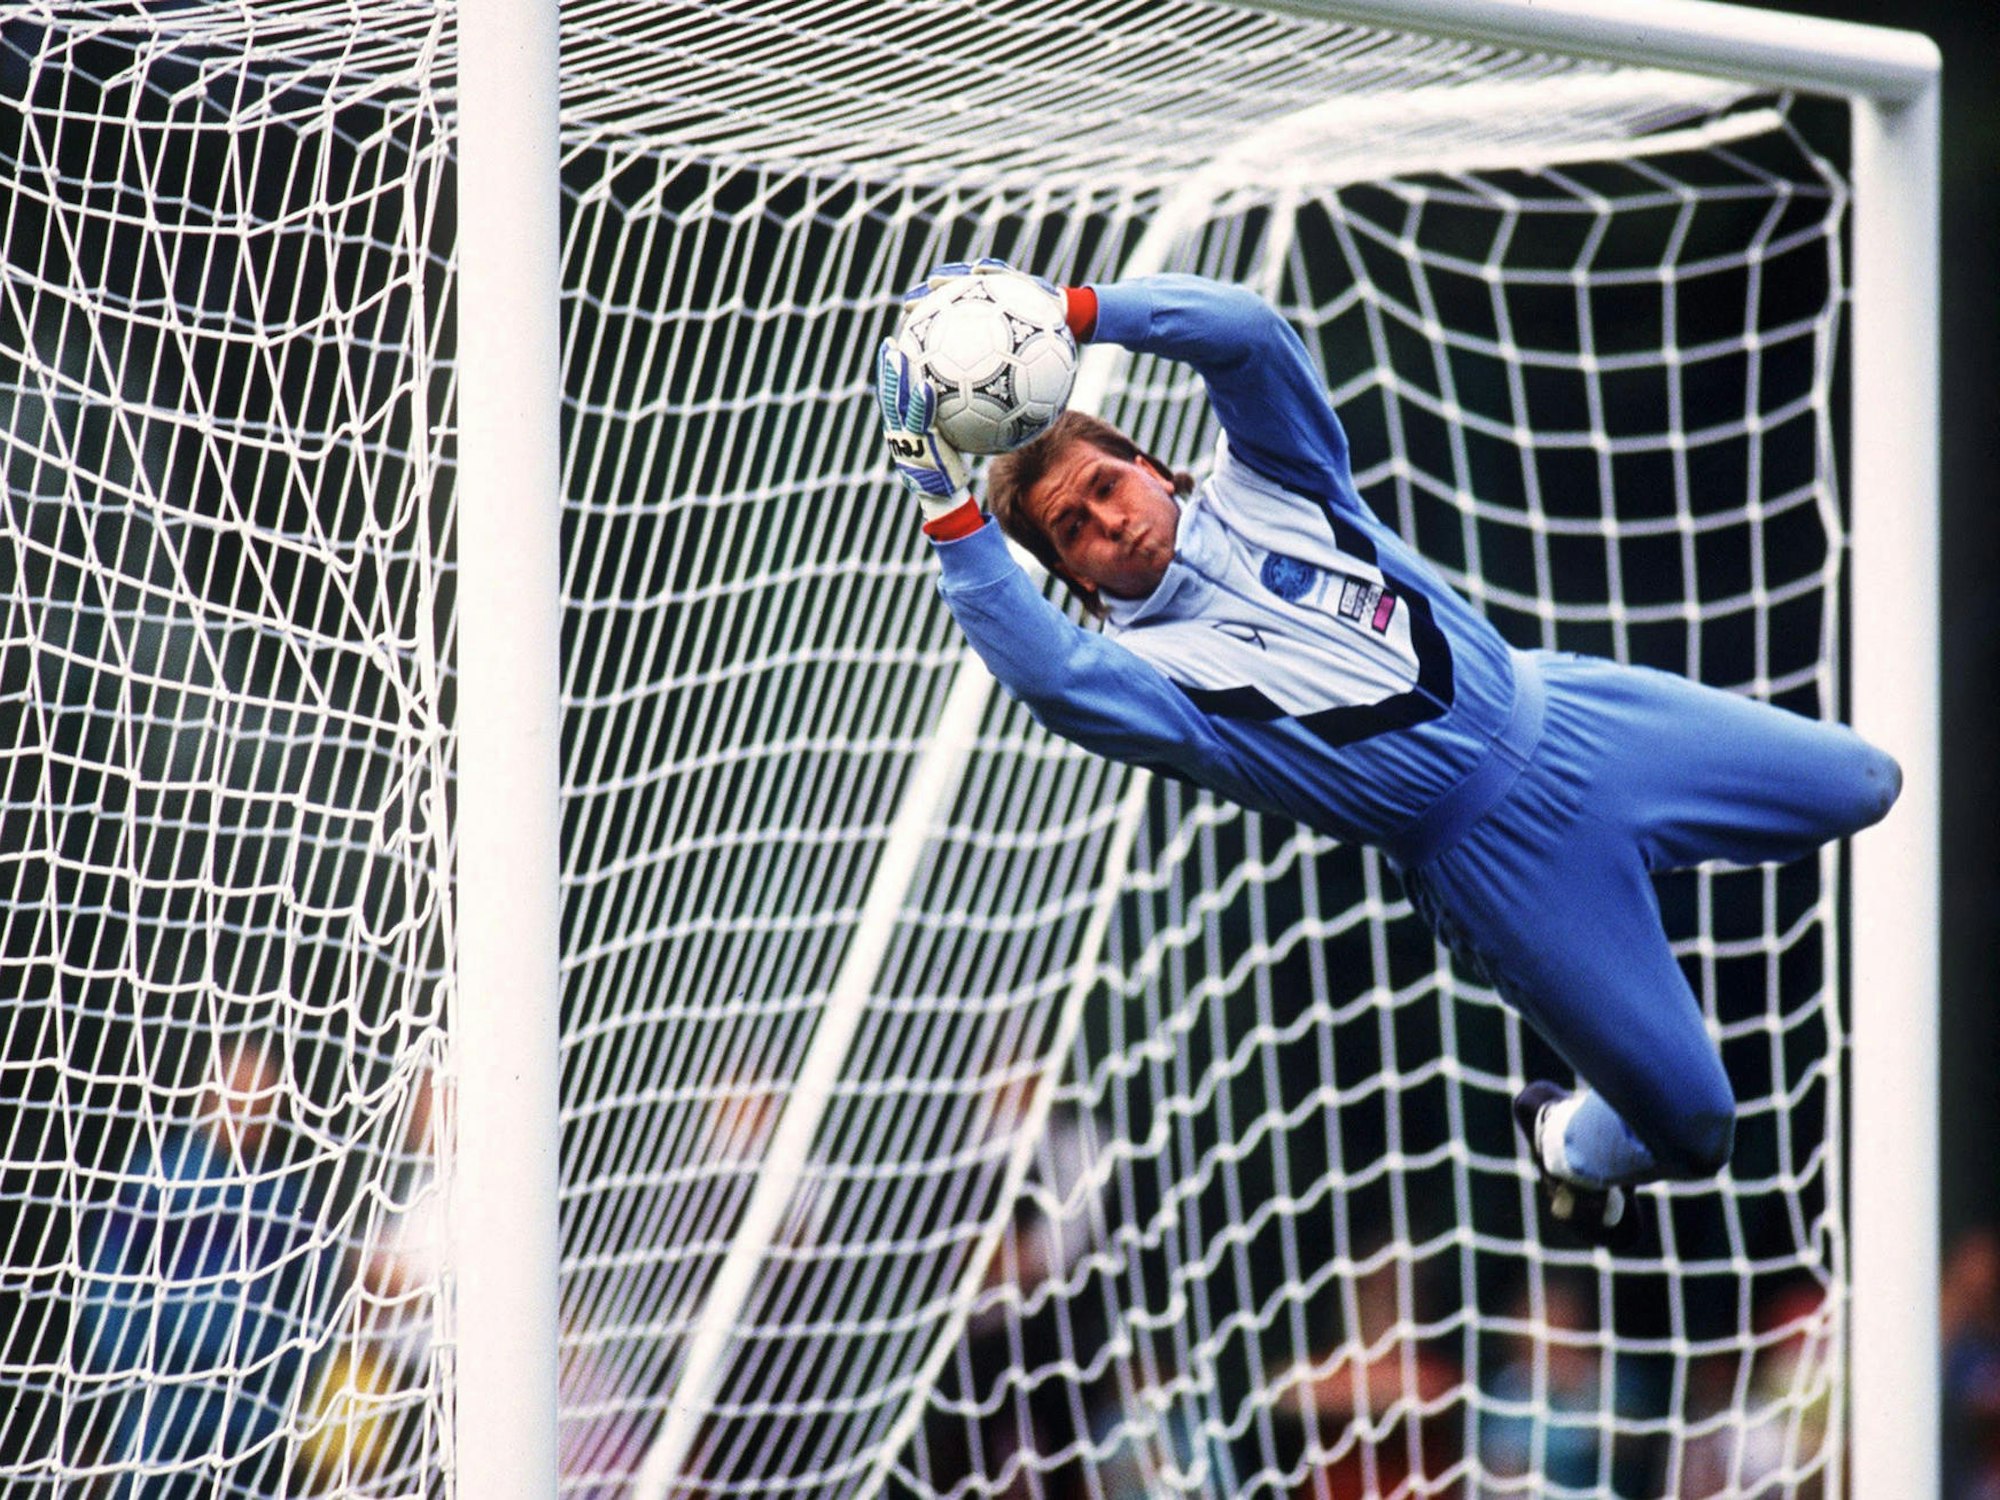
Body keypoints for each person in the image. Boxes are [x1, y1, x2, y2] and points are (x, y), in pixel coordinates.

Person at [876, 261, 1901, 1247]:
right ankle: (1565, 1143)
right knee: (1693, 1128)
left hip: (1583, 717)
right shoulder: (1156, 679)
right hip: (1499, 865)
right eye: (1075, 529)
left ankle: (1638, 922)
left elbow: (1245, 336)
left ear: (1147, 465)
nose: (1110, 520)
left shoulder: (1276, 477)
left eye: (1107, 485)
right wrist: (940, 491)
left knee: (1863, 781)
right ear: (1075, 578)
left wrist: (1071, 309)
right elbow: (1045, 671)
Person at [75, 1036, 340, 1497]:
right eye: (239, 1095)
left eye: (264, 1099)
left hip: (255, 1414)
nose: (251, 1112)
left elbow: (317, 1307)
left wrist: (286, 1383)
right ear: (208, 1097)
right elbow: (106, 1288)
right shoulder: (156, 1180)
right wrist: (135, 1370)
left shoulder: (289, 1201)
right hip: (165, 1406)